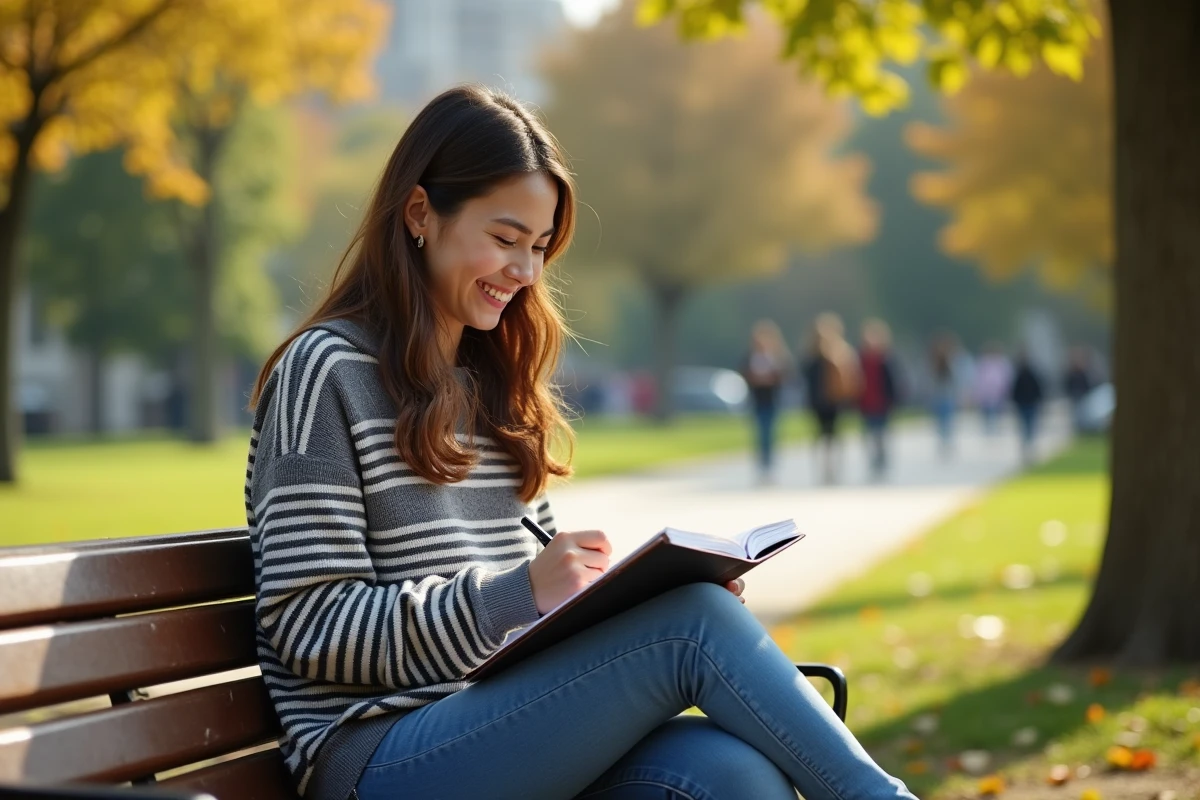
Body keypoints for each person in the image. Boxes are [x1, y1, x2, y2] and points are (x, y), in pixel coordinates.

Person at [244, 86, 914, 800]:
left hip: (492, 725)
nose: (526, 272)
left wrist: (621, 606)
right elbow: (308, 625)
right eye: (505, 240)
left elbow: (531, 616)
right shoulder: (325, 372)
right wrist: (516, 594)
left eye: (539, 248)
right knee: (691, 628)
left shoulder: (490, 380)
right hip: (375, 755)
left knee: (734, 774)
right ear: (419, 214)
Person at [802, 312, 860, 484]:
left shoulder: (840, 353)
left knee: (833, 436)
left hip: (835, 401)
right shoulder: (813, 355)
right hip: (820, 402)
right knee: (823, 436)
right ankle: (826, 468)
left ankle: (832, 468)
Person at [741, 319, 791, 484]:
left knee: (770, 433)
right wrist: (756, 379)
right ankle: (762, 464)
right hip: (756, 400)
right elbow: (744, 374)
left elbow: (785, 376)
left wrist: (770, 379)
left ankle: (769, 464)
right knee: (759, 433)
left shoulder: (777, 357)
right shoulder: (751, 357)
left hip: (772, 400)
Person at [857, 319, 899, 478]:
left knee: (881, 433)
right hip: (866, 404)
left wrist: (893, 400)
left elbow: (893, 382)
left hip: (882, 403)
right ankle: (873, 461)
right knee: (869, 434)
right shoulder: (860, 358)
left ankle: (882, 460)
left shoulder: (886, 359)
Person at [1011, 350, 1046, 463]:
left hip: (1028, 403)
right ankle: (1028, 445)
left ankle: (1028, 445)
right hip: (1025, 403)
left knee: (1028, 426)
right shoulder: (1022, 374)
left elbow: (1037, 389)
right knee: (1028, 426)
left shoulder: (1028, 374)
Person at [928, 333, 959, 458]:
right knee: (941, 420)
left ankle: (947, 441)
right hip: (939, 395)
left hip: (947, 395)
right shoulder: (934, 362)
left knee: (947, 420)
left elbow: (953, 380)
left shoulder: (950, 361)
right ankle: (943, 441)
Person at [973, 342, 1013, 436]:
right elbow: (978, 380)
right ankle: (989, 430)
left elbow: (1006, 379)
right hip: (986, 395)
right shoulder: (983, 363)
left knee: (996, 413)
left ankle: (994, 430)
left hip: (998, 394)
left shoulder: (1002, 363)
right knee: (987, 413)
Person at [1063, 346, 1095, 434]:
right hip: (1075, 396)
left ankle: (1083, 428)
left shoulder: (1083, 372)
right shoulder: (1072, 373)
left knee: (1083, 413)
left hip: (1083, 395)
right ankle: (1079, 428)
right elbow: (1068, 384)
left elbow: (1087, 384)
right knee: (1077, 413)